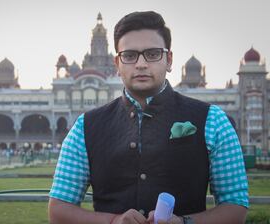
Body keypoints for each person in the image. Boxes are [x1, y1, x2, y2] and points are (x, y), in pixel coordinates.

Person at [48, 11, 249, 224]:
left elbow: (235, 207)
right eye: (129, 55)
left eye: (153, 54)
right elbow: (59, 210)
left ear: (169, 60)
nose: (141, 64)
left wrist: (183, 223)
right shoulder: (85, 128)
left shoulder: (212, 121)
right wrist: (113, 221)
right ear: (116, 63)